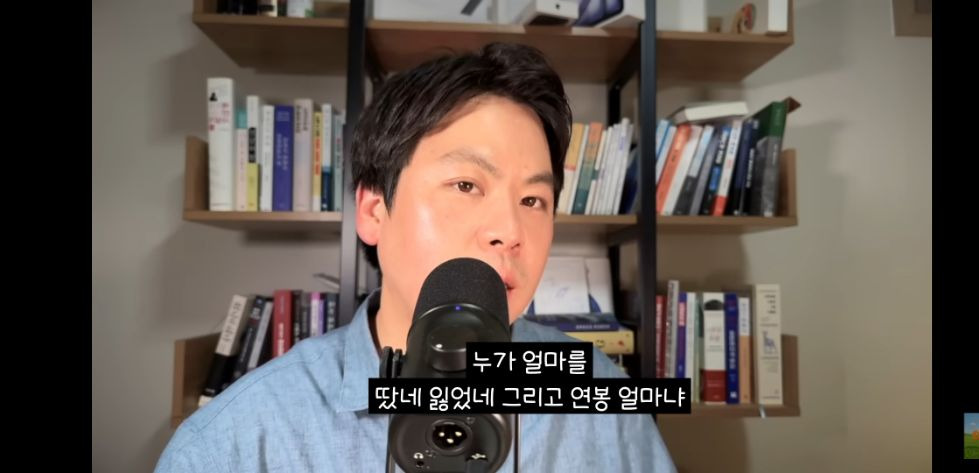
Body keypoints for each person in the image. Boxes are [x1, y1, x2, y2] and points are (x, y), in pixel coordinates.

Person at [155, 42, 676, 472]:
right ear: (373, 210)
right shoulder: (232, 445)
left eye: (533, 200)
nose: (509, 231)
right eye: (466, 185)